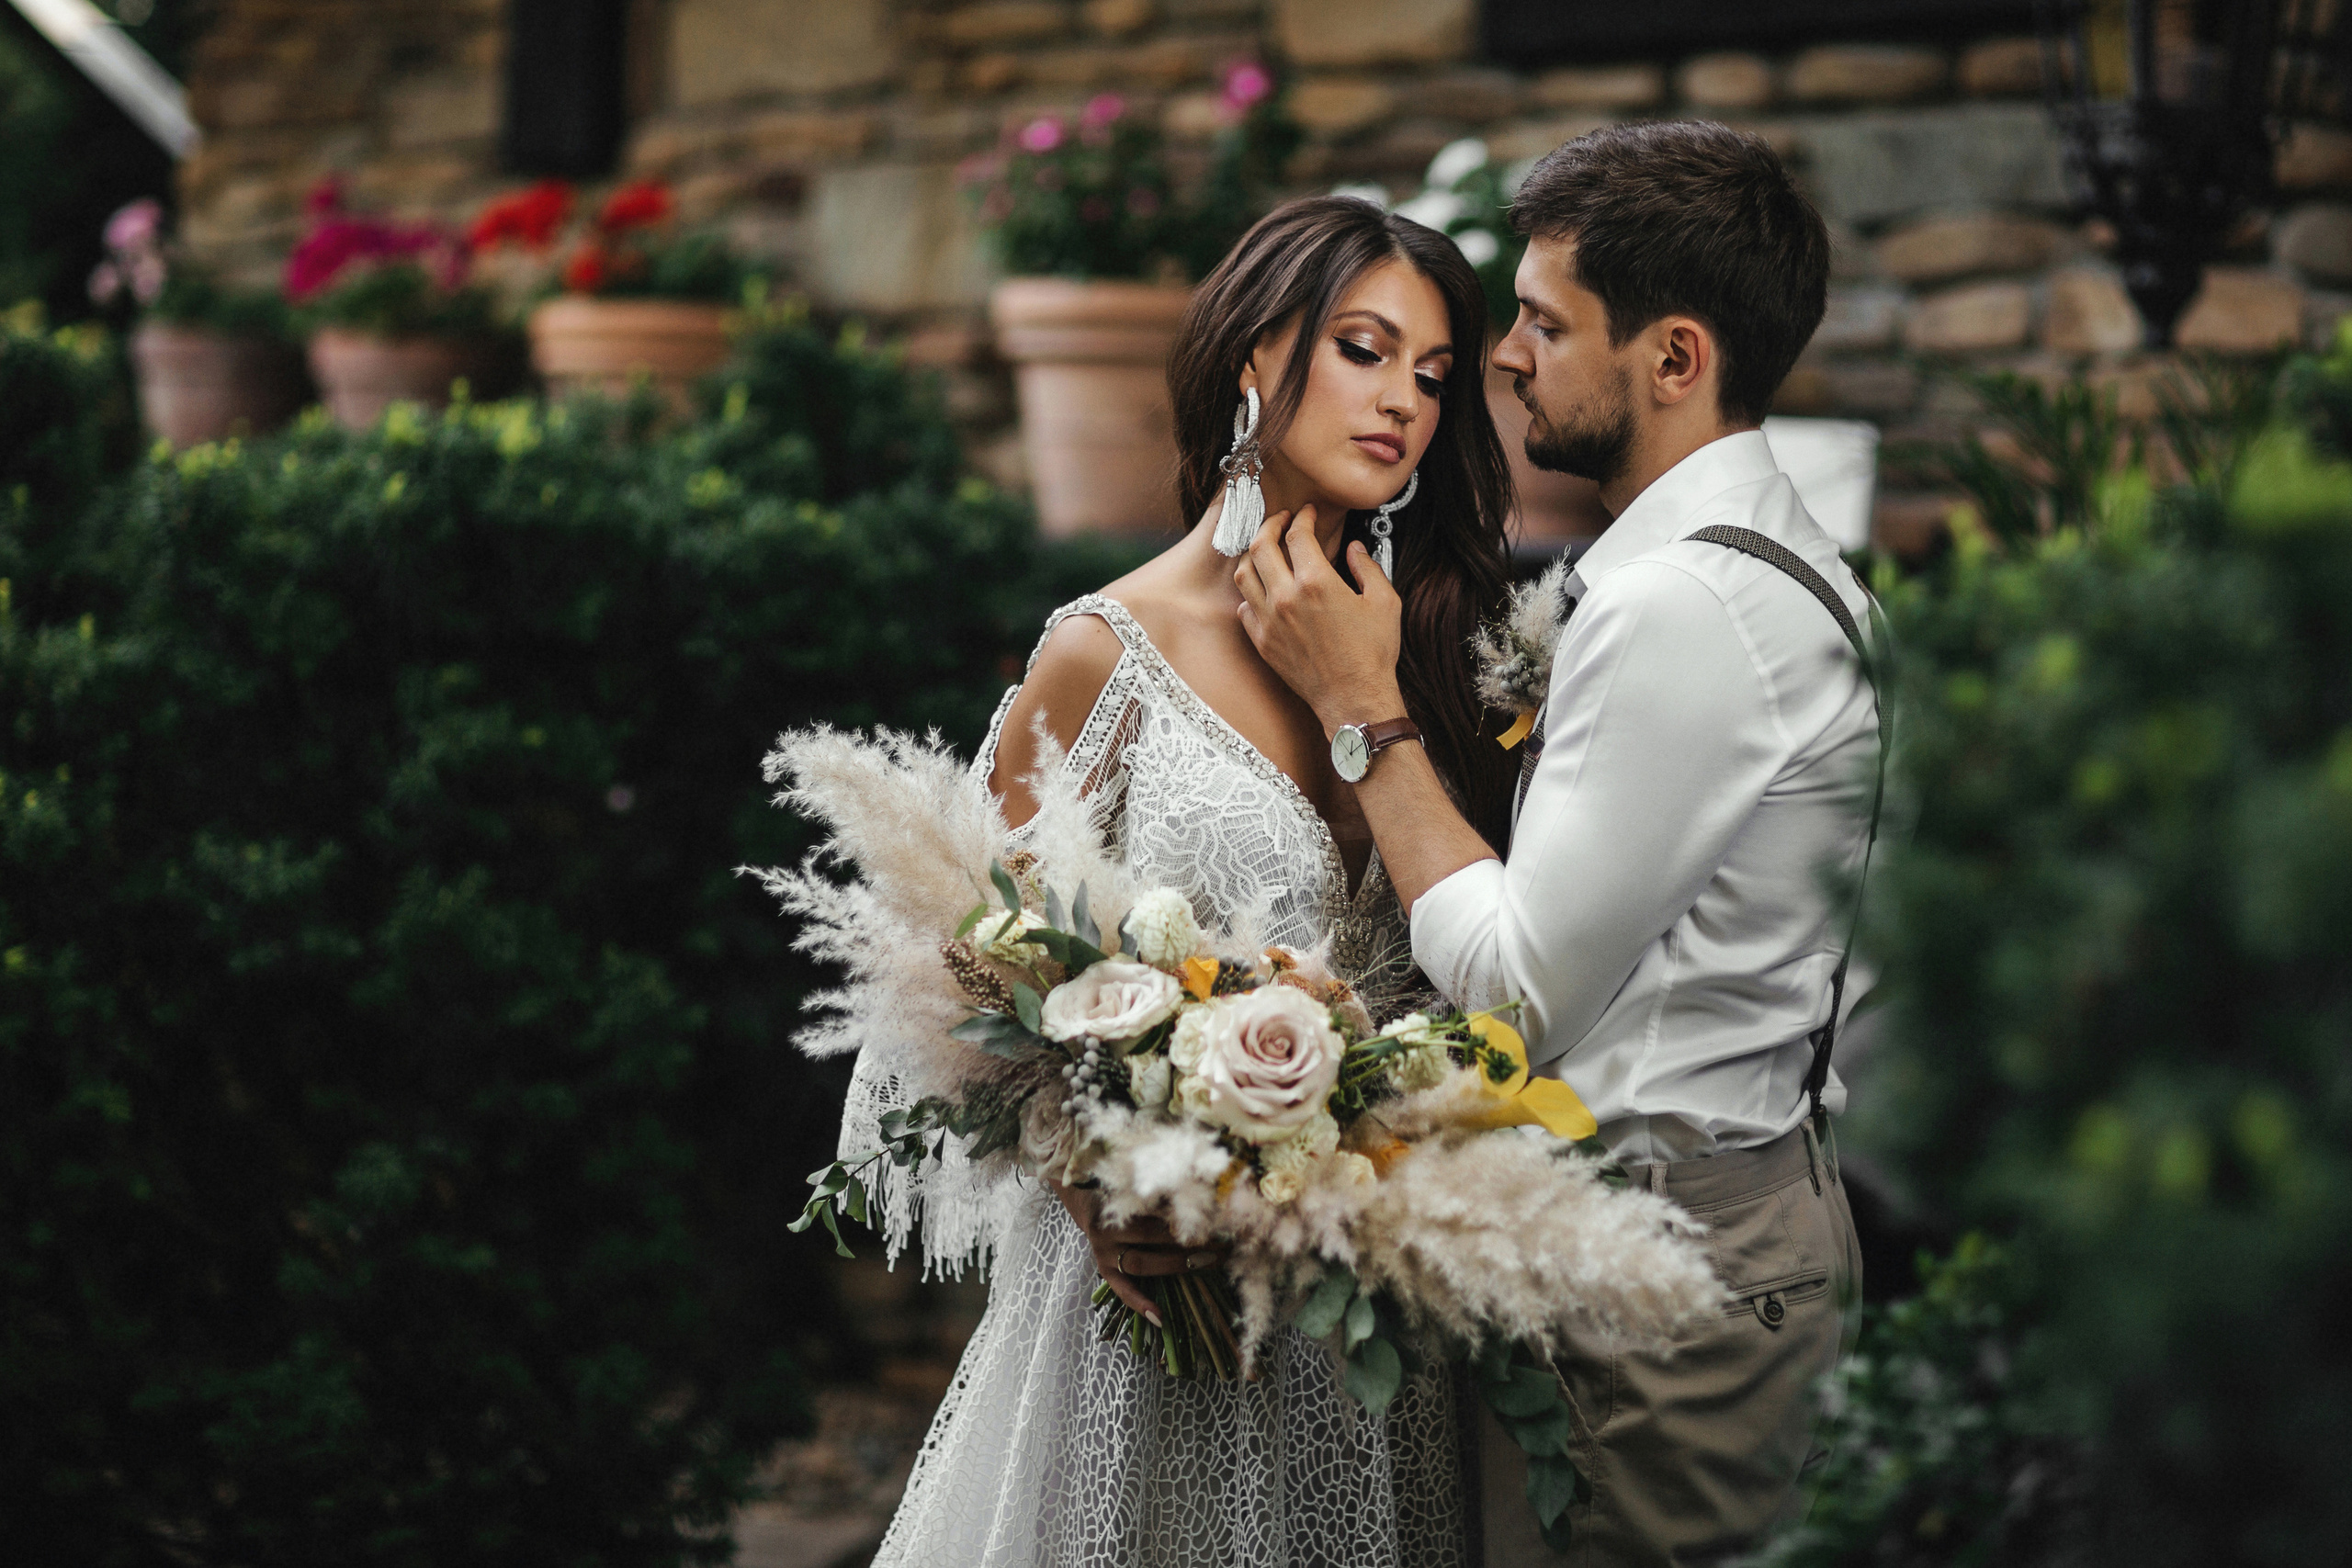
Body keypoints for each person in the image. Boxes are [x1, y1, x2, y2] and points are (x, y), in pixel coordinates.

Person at [1236, 122, 1875, 1567]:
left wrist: (1360, 708)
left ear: (1674, 358)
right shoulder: (1783, 560)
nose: (1505, 357)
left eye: (1541, 322)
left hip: (1658, 1269)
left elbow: (1519, 995)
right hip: (1751, 1201)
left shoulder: (1681, 611)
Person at [850, 195, 1516, 1568]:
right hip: (1159, 1321)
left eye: (1436, 377)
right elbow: (953, 968)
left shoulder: (1447, 651)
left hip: (1377, 1330)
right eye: (1366, 350)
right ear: (1257, 356)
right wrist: (1090, 1175)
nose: (1404, 402)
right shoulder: (1107, 650)